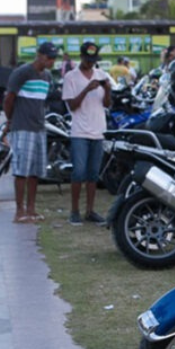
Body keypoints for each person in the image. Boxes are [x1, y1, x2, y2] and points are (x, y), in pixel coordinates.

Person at [3, 42, 57, 222]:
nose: (51, 61)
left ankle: (31, 209)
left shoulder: (47, 76)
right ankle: (19, 211)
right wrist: (11, 120)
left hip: (39, 127)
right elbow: (9, 99)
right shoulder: (22, 73)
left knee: (35, 172)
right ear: (39, 55)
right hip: (23, 127)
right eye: (49, 57)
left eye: (53, 58)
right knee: (21, 171)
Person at [62, 42, 111, 226]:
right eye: (88, 60)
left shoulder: (101, 75)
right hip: (80, 132)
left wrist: (107, 90)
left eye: (93, 60)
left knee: (93, 174)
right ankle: (74, 211)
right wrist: (87, 89)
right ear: (81, 57)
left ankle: (90, 211)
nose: (91, 63)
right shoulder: (71, 77)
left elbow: (107, 104)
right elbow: (72, 106)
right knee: (78, 172)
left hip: (99, 131)